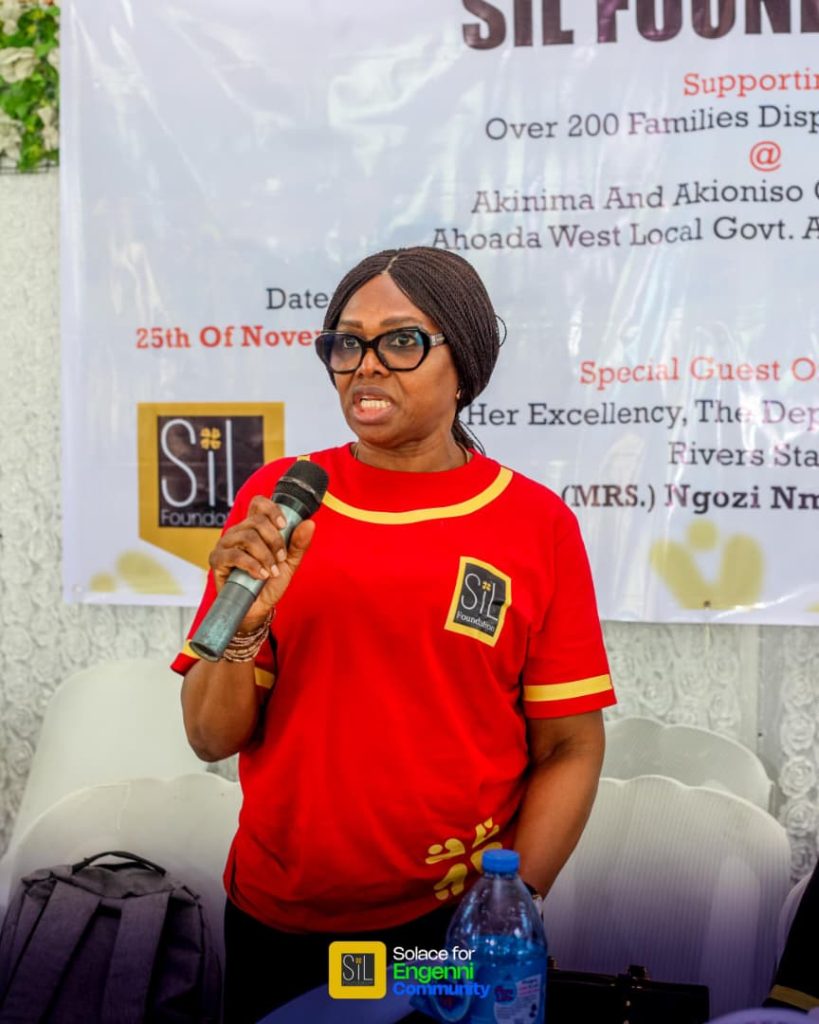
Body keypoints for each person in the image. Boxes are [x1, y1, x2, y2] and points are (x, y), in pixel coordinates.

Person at [172, 246, 616, 1022]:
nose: (366, 365)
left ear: (463, 364)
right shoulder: (281, 503)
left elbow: (570, 747)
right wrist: (245, 629)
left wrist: (513, 905)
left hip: (447, 925)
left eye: (401, 341)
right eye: (346, 343)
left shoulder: (534, 524)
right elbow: (211, 737)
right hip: (280, 915)